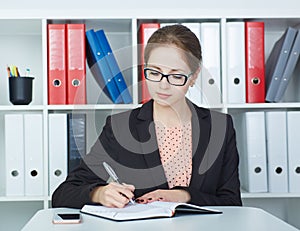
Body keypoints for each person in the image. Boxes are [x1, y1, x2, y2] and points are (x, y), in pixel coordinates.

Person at [52, 24, 242, 209]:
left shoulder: (220, 127)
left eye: (176, 76)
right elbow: (63, 194)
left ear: (193, 76)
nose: (163, 85)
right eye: (154, 72)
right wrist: (99, 193)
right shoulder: (120, 127)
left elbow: (232, 202)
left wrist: (185, 196)